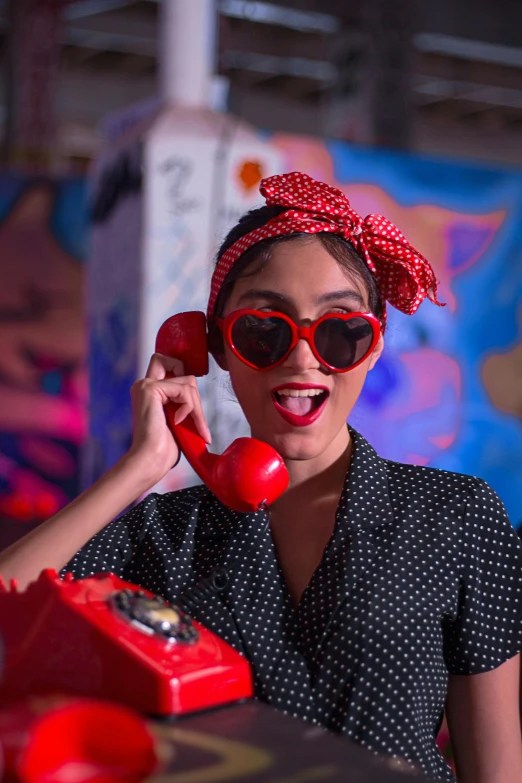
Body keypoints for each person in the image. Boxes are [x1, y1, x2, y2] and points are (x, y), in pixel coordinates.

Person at [1, 172, 521, 782]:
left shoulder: (456, 515)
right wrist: (138, 469)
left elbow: (496, 767)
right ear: (214, 346)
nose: (304, 358)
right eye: (264, 329)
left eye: (341, 330)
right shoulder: (163, 535)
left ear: (375, 345)